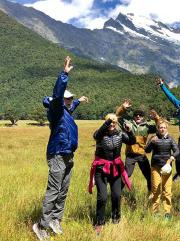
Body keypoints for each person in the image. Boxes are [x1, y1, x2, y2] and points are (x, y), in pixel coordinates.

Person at [33, 56, 89, 240]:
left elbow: (70, 107)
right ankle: (40, 226)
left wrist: (78, 101)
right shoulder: (56, 109)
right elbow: (58, 95)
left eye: (71, 98)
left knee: (63, 189)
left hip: (68, 154)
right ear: (61, 100)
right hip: (57, 153)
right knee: (54, 190)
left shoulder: (65, 111)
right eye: (69, 98)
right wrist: (64, 74)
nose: (70, 100)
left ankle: (55, 219)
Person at [88, 114, 135, 234]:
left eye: (114, 122)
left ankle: (116, 218)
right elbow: (97, 136)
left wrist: (129, 132)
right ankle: (99, 222)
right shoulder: (99, 133)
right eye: (110, 122)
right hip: (101, 168)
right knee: (102, 197)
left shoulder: (120, 133)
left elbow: (132, 141)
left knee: (116, 195)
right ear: (106, 122)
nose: (112, 125)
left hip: (116, 168)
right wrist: (109, 121)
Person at [115, 100, 161, 194]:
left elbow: (160, 127)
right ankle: (116, 194)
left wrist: (156, 118)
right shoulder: (128, 124)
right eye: (136, 115)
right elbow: (117, 117)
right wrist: (122, 108)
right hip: (130, 155)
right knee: (126, 175)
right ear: (134, 117)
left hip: (141, 155)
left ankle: (151, 195)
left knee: (149, 176)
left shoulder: (147, 126)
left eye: (140, 115)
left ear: (143, 117)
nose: (138, 116)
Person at [145, 120, 179, 220]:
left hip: (167, 168)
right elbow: (147, 150)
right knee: (155, 189)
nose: (162, 129)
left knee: (167, 190)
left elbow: (177, 150)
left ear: (166, 128)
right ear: (158, 129)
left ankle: (167, 212)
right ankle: (155, 212)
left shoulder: (170, 139)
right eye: (160, 127)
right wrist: (151, 142)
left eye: (164, 127)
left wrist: (172, 157)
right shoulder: (154, 138)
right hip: (155, 167)